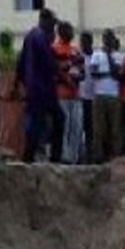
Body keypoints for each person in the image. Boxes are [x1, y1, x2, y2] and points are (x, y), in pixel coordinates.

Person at [17, 9, 65, 163]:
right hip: (43, 89)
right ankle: (51, 158)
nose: (54, 28)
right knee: (54, 120)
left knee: (38, 122)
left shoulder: (31, 36)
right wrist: (61, 74)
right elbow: (48, 62)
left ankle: (29, 158)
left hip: (34, 88)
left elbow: (21, 63)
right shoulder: (40, 36)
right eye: (52, 23)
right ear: (44, 20)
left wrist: (22, 82)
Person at [52, 21, 85, 163]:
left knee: (76, 128)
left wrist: (77, 77)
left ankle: (73, 158)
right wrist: (69, 66)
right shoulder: (54, 49)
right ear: (61, 32)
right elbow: (54, 71)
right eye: (69, 30)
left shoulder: (76, 50)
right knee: (64, 127)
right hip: (61, 95)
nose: (72, 34)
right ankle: (64, 157)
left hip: (76, 95)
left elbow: (83, 72)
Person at [89, 29, 123, 163]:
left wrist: (109, 57)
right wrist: (108, 74)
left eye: (110, 38)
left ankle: (115, 156)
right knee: (99, 129)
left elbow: (117, 74)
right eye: (105, 38)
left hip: (114, 96)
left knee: (115, 129)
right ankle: (99, 157)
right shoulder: (96, 55)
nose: (108, 40)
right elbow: (93, 73)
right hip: (99, 95)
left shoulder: (118, 56)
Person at [0, 29, 24, 158]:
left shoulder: (15, 54)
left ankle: (17, 153)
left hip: (16, 91)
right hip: (4, 92)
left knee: (17, 125)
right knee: (6, 126)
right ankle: (5, 152)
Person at [78, 32, 96, 163]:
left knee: (91, 129)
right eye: (81, 42)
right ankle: (81, 155)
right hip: (81, 97)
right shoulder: (78, 57)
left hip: (93, 97)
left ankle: (91, 154)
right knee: (80, 127)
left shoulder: (96, 57)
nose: (82, 44)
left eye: (85, 42)